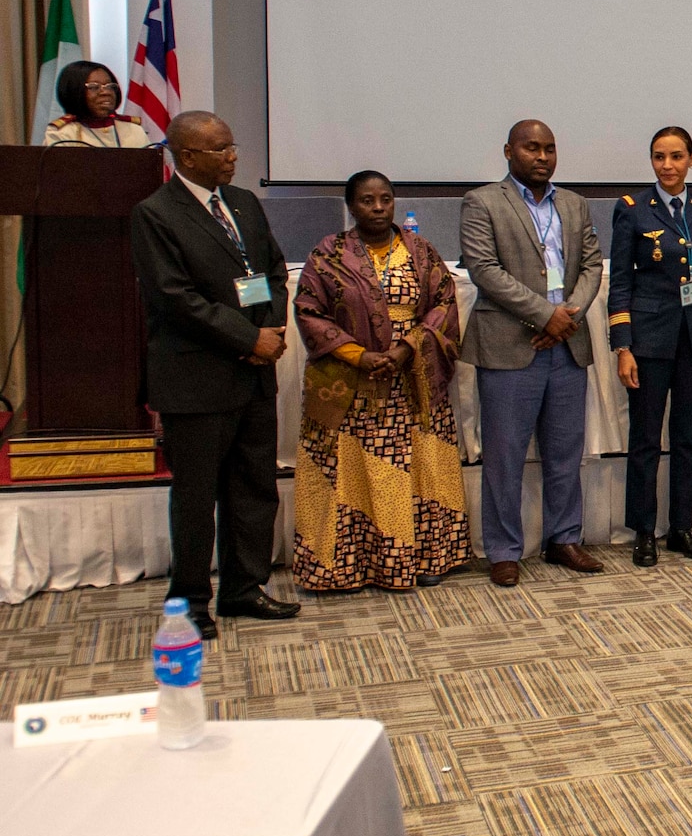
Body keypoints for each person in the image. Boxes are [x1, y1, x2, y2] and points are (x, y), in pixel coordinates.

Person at [129, 111, 298, 638]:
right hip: (196, 379)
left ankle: (244, 590)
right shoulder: (155, 214)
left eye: (232, 145)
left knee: (254, 488)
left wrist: (268, 329)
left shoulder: (244, 203)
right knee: (198, 497)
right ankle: (191, 604)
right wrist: (249, 339)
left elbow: (271, 270)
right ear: (187, 157)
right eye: (221, 149)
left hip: (253, 376)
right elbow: (175, 298)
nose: (233, 156)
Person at [292, 171, 471, 590]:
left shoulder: (421, 252)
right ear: (351, 206)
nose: (377, 208)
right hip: (353, 387)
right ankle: (349, 567)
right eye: (368, 201)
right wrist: (360, 355)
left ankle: (428, 557)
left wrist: (407, 347)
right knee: (354, 474)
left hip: (414, 382)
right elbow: (308, 310)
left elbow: (444, 303)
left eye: (385, 200)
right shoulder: (329, 254)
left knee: (422, 469)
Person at [459, 120, 605, 586]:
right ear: (508, 151)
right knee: (505, 455)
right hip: (510, 344)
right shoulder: (482, 202)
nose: (541, 157)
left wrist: (570, 314)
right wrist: (546, 315)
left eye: (549, 148)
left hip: (567, 344)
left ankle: (564, 539)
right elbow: (484, 269)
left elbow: (591, 266)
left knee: (566, 453)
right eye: (531, 148)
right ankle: (503, 549)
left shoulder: (574, 204)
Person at [609, 127, 692, 566]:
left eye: (677, 156)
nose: (668, 165)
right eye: (660, 157)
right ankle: (644, 531)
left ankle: (681, 528)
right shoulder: (632, 210)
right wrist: (623, 346)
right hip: (649, 341)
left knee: (687, 438)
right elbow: (621, 282)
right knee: (645, 439)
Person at [42, 60, 149, 147]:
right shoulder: (62, 134)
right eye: (94, 87)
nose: (106, 92)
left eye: (110, 86)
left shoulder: (134, 130)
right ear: (74, 91)